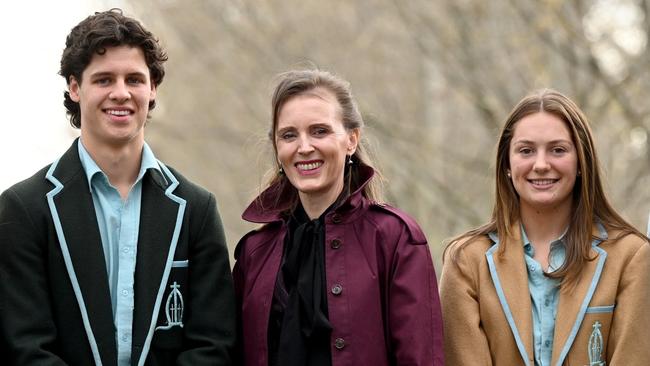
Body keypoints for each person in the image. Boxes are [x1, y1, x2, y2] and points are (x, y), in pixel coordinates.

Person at [0, 9, 235, 365]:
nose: (121, 93)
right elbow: (25, 348)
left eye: (135, 79)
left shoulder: (196, 209)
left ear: (153, 88)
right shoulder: (23, 209)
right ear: (75, 88)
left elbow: (213, 346)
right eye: (104, 79)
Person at [233, 69, 444, 366]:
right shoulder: (254, 253)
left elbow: (421, 358)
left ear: (351, 140)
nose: (304, 147)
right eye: (289, 135)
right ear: (278, 148)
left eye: (320, 131)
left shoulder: (396, 239)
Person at [440, 89, 650, 365]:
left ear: (580, 162)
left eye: (558, 150)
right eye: (526, 151)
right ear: (507, 163)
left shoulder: (632, 257)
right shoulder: (466, 262)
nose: (541, 164)